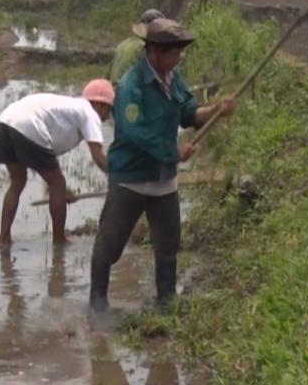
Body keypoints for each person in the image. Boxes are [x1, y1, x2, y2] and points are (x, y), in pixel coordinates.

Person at [90, 19, 234, 312]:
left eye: (180, 52)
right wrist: (174, 152)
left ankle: (166, 301)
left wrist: (215, 111)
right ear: (154, 51)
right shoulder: (131, 86)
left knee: (168, 245)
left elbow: (188, 113)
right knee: (110, 245)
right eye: (174, 53)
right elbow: (135, 131)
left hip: (164, 180)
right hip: (130, 178)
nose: (178, 58)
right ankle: (97, 303)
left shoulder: (174, 78)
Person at [0, 79, 114, 246]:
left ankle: (3, 240)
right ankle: (59, 241)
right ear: (99, 104)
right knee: (58, 183)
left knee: (18, 182)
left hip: (3, 122)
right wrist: (120, 177)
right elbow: (98, 157)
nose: (107, 117)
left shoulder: (69, 107)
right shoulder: (89, 112)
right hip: (28, 125)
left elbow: (40, 156)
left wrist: (58, 191)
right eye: (109, 110)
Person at [106, 8, 166, 85]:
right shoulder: (145, 47)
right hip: (128, 91)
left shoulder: (123, 43)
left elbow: (108, 74)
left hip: (113, 89)